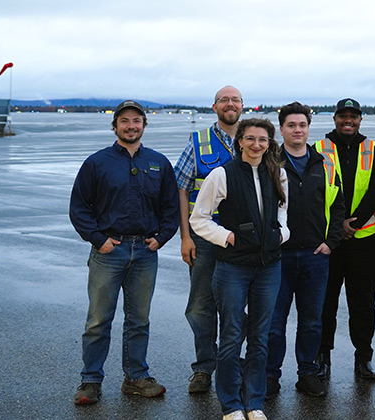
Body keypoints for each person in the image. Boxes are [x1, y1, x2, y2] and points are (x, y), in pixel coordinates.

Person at [69, 100, 178, 405]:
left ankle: (136, 377)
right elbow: (79, 207)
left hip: (145, 252)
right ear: (115, 125)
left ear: (144, 125)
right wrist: (98, 239)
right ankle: (90, 380)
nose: (131, 126)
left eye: (137, 121)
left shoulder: (158, 162)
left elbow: (171, 207)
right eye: (125, 121)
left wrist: (161, 238)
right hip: (109, 251)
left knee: (138, 319)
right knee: (98, 320)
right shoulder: (97, 163)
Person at [190, 118, 289, 420]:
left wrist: (280, 234)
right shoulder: (222, 174)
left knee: (260, 336)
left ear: (270, 143)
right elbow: (200, 218)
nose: (256, 145)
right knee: (232, 336)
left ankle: (254, 402)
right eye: (250, 139)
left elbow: (283, 212)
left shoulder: (278, 174)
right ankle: (231, 404)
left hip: (268, 267)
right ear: (240, 142)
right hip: (233, 267)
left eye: (263, 140)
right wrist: (226, 237)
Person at [265, 102, 345, 399]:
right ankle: (270, 375)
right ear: (282, 128)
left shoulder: (324, 164)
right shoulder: (268, 163)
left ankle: (307, 374)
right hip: (278, 257)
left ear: (308, 128)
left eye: (302, 125)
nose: (297, 130)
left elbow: (338, 207)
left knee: (312, 321)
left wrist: (331, 243)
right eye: (291, 125)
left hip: (315, 256)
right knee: (274, 322)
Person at [174, 85, 243, 393]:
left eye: (236, 100)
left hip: (241, 241)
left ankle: (234, 364)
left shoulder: (254, 139)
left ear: (243, 106)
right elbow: (182, 188)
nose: (230, 104)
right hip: (203, 239)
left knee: (237, 305)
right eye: (224, 100)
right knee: (201, 305)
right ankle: (204, 367)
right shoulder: (199, 141)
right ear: (215, 107)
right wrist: (185, 237)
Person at [315, 98, 375, 381]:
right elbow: (316, 191)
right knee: (325, 302)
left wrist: (352, 222)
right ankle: (322, 357)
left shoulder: (374, 149)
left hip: (364, 239)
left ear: (360, 119)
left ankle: (363, 358)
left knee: (363, 303)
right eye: (343, 116)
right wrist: (337, 226)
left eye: (353, 116)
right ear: (334, 119)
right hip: (329, 241)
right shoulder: (318, 149)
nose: (349, 121)